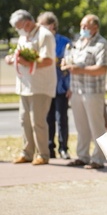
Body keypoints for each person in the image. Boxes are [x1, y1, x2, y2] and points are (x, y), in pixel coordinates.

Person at [5, 9, 56, 165]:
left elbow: (48, 60)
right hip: (24, 85)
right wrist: (12, 58)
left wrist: (28, 63)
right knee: (24, 120)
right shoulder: (23, 36)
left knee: (38, 121)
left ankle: (43, 154)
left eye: (19, 26)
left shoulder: (45, 35)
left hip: (40, 86)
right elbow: (19, 56)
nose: (17, 29)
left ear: (27, 22)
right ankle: (27, 152)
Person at [62, 14, 107, 169]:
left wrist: (79, 69)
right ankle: (82, 156)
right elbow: (72, 62)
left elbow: (102, 68)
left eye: (86, 26)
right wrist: (67, 63)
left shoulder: (101, 44)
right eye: (81, 26)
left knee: (96, 126)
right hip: (77, 90)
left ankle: (99, 158)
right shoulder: (79, 42)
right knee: (81, 126)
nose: (82, 29)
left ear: (95, 27)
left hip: (93, 91)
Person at [37, 11, 71, 159]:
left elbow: (70, 65)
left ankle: (63, 148)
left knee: (61, 118)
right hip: (45, 87)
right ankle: (50, 147)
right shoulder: (40, 41)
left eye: (42, 26)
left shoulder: (65, 42)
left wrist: (70, 86)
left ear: (51, 26)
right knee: (48, 119)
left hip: (61, 87)